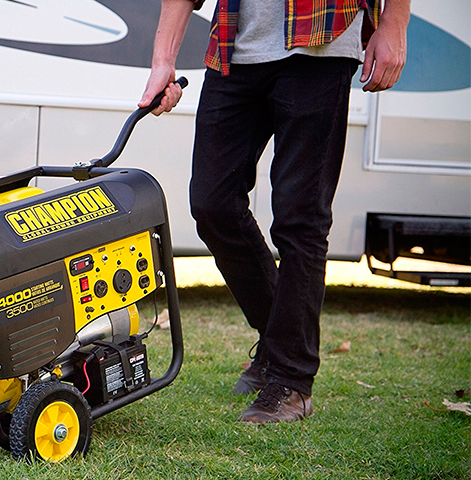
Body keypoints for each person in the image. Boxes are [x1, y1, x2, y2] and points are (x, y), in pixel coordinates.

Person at [139, 0, 409, 424]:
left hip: (320, 44)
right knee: (212, 204)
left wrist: (394, 23)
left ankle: (291, 380)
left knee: (300, 218)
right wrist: (163, 62)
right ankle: (276, 341)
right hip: (234, 47)